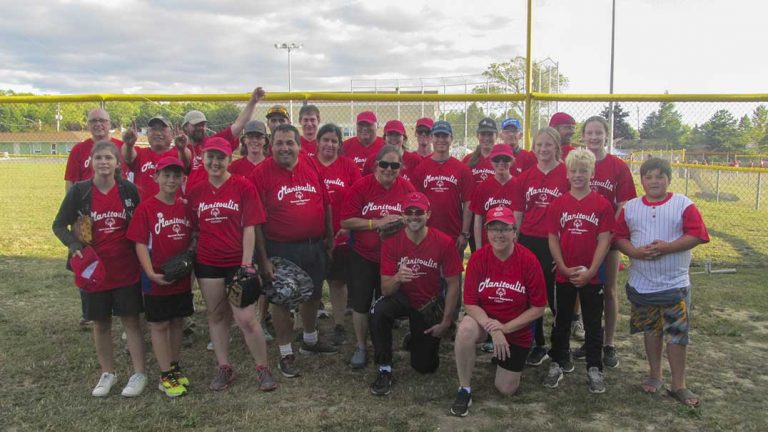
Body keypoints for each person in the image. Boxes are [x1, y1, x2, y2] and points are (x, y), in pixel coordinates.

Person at [53, 140, 146, 398]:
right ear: (91, 162)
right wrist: (74, 244)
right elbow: (59, 225)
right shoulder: (80, 192)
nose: (104, 162)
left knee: (131, 320)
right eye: (99, 158)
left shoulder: (128, 190)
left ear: (118, 163)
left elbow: (141, 222)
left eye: (109, 158)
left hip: (125, 267)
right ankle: (108, 372)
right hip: (94, 271)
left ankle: (139, 373)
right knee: (100, 322)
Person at [614, 158, 709, 408]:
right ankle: (655, 374)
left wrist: (668, 247)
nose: (654, 181)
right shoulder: (631, 207)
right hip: (642, 283)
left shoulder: (682, 204)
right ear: (641, 180)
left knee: (676, 335)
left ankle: (679, 384)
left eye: (660, 176)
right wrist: (634, 252)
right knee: (651, 330)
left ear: (669, 178)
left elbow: (697, 234)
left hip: (673, 283)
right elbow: (619, 237)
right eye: (649, 177)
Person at [186, 137, 276, 392]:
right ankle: (224, 366)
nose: (215, 162)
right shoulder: (196, 191)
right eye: (210, 157)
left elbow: (250, 226)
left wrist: (246, 265)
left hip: (237, 263)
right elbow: (193, 228)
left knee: (246, 317)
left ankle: (262, 367)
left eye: (221, 157)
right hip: (208, 262)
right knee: (216, 315)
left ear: (230, 158)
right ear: (203, 159)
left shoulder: (243, 186)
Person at [249, 124, 338, 379]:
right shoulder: (261, 173)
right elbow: (255, 221)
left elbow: (326, 204)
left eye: (290, 143)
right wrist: (263, 258)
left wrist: (329, 238)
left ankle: (310, 339)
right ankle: (286, 352)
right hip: (280, 247)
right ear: (271, 145)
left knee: (311, 294)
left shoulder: (311, 166)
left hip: (313, 244)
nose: (285, 148)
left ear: (299, 145)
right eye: (279, 143)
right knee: (281, 300)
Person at [450, 206, 546, 417]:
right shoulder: (478, 258)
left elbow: (539, 308)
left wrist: (505, 328)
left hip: (516, 327)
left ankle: (504, 356)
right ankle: (464, 388)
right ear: (486, 232)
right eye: (493, 228)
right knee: (465, 329)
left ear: (514, 232)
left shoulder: (529, 260)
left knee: (506, 389)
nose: (499, 234)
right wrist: (494, 330)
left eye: (504, 228)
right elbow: (471, 303)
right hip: (486, 323)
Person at [370, 192, 462, 396]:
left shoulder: (444, 242)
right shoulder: (392, 242)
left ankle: (415, 337)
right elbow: (385, 289)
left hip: (427, 303)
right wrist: (397, 278)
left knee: (425, 367)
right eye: (408, 212)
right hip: (400, 298)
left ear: (428, 214)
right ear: (403, 215)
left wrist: (446, 321)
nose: (413, 216)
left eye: (418, 211)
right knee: (379, 310)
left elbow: (453, 283)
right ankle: (385, 367)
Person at [544, 149, 614, 394]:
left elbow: (604, 240)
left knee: (593, 323)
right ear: (567, 173)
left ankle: (594, 367)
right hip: (565, 272)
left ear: (592, 173)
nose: (578, 175)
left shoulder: (602, 205)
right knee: (561, 319)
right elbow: (553, 238)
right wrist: (562, 266)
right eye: (573, 171)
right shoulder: (558, 204)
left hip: (591, 274)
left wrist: (592, 270)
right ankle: (558, 361)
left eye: (583, 171)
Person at [340, 145, 416, 368]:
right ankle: (361, 346)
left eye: (395, 165)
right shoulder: (362, 186)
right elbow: (346, 221)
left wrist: (401, 222)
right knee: (361, 303)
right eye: (384, 164)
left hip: (392, 257)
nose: (389, 169)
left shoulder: (406, 187)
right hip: (363, 255)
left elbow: (416, 218)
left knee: (388, 303)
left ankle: (385, 346)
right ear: (376, 165)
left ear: (400, 167)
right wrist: (376, 223)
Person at [126, 157, 195, 397]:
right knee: (159, 324)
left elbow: (191, 239)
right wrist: (150, 273)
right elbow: (140, 243)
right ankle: (165, 375)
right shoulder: (146, 208)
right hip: (156, 276)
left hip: (180, 276)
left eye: (176, 175)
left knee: (177, 322)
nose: (171, 180)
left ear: (182, 179)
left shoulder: (185, 207)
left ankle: (174, 367)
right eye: (166, 175)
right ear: (155, 177)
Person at [573, 116, 637, 368]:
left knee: (608, 289)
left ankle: (608, 343)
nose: (594, 137)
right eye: (589, 133)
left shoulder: (617, 166)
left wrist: (610, 232)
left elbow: (623, 204)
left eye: (599, 133)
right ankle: (590, 340)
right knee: (582, 288)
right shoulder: (577, 162)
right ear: (583, 136)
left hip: (606, 238)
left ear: (606, 135)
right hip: (579, 235)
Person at [512, 127, 570, 366]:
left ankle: (561, 349)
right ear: (533, 148)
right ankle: (538, 343)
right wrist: (515, 241)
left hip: (556, 241)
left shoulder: (567, 174)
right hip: (529, 239)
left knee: (557, 298)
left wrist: (566, 250)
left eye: (548, 145)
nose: (543, 149)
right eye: (539, 145)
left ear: (557, 147)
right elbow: (518, 213)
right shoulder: (525, 177)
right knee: (530, 296)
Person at [313, 123, 362, 345]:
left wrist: (349, 225)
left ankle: (339, 323)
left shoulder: (348, 166)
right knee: (311, 281)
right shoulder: (307, 164)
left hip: (341, 233)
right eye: (326, 140)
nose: (329, 144)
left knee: (337, 281)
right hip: (313, 233)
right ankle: (306, 323)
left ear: (339, 144)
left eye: (334, 141)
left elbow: (359, 197)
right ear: (318, 142)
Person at [183, 87, 266, 189]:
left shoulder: (213, 143)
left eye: (203, 125)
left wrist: (252, 102)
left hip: (215, 196)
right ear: (185, 127)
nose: (200, 128)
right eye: (196, 125)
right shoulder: (181, 149)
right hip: (193, 198)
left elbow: (239, 125)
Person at [411, 120, 474, 252]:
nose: (441, 140)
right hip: (426, 233)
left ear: (451, 139)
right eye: (437, 136)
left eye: (445, 136)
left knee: (452, 272)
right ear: (431, 138)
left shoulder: (462, 169)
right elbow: (415, 203)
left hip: (453, 233)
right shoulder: (421, 169)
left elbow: (468, 203)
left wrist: (464, 233)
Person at [122, 116, 191, 200]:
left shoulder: (178, 152)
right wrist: (129, 144)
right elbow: (128, 157)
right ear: (147, 133)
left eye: (162, 129)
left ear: (172, 134)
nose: (158, 133)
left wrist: (182, 149)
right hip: (144, 209)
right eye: (154, 129)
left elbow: (186, 161)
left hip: (172, 208)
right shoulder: (140, 153)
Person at [65, 108, 127, 192]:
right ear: (88, 125)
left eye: (102, 120)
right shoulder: (78, 149)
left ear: (109, 124)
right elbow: (70, 181)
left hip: (118, 197)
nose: (98, 124)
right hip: (87, 199)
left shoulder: (123, 147)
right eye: (93, 121)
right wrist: (71, 203)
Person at [470, 144, 517, 249]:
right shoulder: (483, 187)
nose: (501, 163)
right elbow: (477, 220)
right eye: (496, 159)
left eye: (505, 159)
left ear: (512, 161)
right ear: (491, 161)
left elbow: (519, 219)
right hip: (488, 244)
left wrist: (515, 246)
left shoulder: (518, 185)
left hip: (510, 244)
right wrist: (478, 248)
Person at [463, 117, 498, 185]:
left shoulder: (501, 160)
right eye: (483, 134)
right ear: (477, 135)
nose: (486, 138)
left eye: (490, 134)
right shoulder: (468, 159)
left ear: (496, 135)